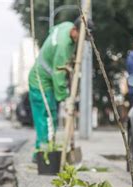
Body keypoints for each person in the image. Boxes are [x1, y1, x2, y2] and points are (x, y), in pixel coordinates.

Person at [28, 18, 92, 158]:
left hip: (45, 80)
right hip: (40, 81)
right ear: (75, 31)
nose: (80, 42)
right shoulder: (63, 47)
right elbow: (58, 75)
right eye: (81, 38)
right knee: (48, 118)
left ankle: (45, 152)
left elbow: (52, 30)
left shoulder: (66, 25)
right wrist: (65, 99)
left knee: (49, 118)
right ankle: (43, 155)